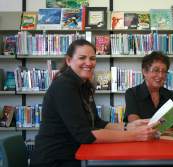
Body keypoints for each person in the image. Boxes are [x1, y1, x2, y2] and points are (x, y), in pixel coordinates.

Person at [30, 39, 158, 167]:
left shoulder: (83, 85)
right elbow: (85, 135)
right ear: (69, 60)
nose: (89, 63)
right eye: (82, 58)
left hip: (75, 154)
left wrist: (129, 126)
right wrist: (135, 135)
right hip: (55, 159)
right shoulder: (63, 86)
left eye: (92, 58)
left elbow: (97, 123)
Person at [124, 51, 173, 130]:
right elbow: (135, 125)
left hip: (167, 140)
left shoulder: (172, 96)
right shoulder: (132, 93)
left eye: (164, 71)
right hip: (142, 140)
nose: (160, 75)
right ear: (145, 71)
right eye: (156, 70)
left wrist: (154, 127)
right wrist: (167, 127)